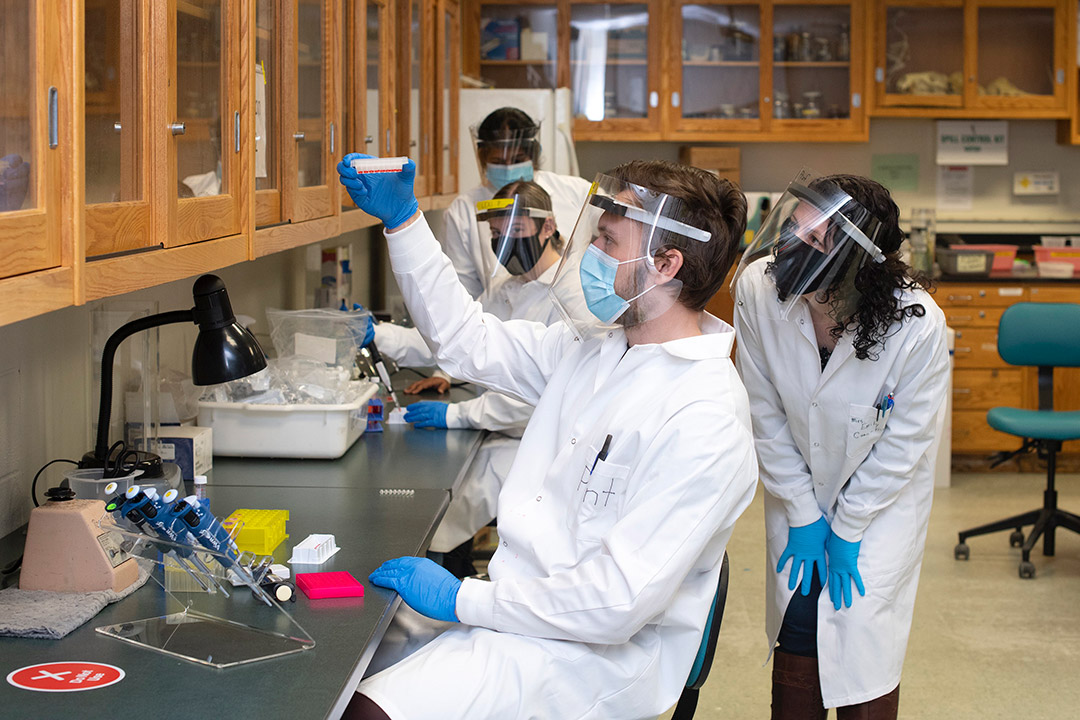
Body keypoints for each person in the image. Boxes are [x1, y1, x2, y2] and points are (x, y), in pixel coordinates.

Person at [337, 152, 757, 720]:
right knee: (347, 666)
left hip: (593, 654)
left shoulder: (705, 416)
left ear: (665, 263)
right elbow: (466, 340)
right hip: (520, 611)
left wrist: (464, 597)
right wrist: (404, 223)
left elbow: (616, 601)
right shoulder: (594, 350)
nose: (588, 256)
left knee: (373, 711)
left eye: (608, 242)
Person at [731, 171, 950, 719]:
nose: (786, 247)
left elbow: (906, 442)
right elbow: (764, 411)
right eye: (790, 229)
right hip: (796, 486)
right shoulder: (759, 288)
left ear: (854, 264)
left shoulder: (917, 326)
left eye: (811, 240)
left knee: (862, 631)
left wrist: (849, 526)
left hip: (880, 505)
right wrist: (804, 513)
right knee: (799, 621)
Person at [364, 180, 587, 576]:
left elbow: (539, 393)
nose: (505, 244)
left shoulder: (570, 295)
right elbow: (458, 337)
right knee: (440, 503)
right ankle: (452, 571)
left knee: (449, 509)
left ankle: (452, 578)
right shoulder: (507, 288)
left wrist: (457, 416)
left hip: (536, 443)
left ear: (548, 226)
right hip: (499, 430)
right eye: (497, 235)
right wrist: (381, 335)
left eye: (515, 231)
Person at [434, 106, 592, 309]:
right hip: (503, 312)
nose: (509, 167)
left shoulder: (575, 191)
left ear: (549, 227)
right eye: (498, 161)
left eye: (517, 160)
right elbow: (462, 300)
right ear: (483, 159)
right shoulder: (462, 212)